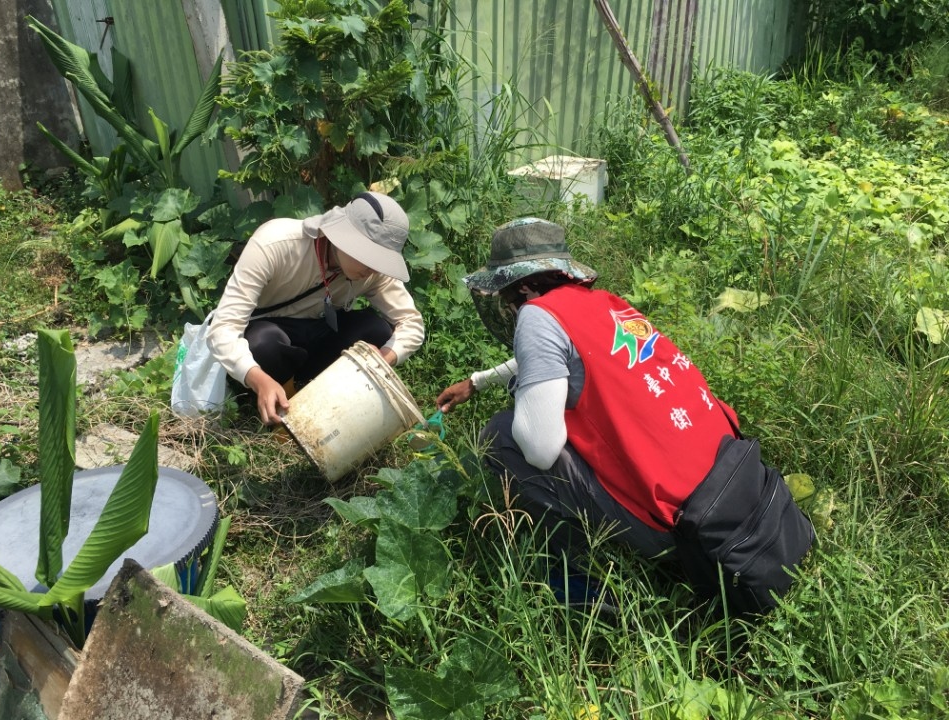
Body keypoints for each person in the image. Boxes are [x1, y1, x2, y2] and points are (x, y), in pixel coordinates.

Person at [436, 217, 740, 571]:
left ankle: (579, 577)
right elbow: (552, 357)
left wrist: (523, 400)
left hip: (673, 529)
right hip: (725, 488)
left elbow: (541, 449)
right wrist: (477, 382)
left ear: (521, 289)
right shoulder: (602, 305)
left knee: (503, 435)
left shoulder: (536, 314)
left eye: (505, 293)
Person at [208, 191, 425, 426]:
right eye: (370, 256)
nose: (374, 269)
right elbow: (223, 329)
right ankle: (285, 408)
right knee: (263, 343)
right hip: (274, 339)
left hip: (320, 338)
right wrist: (258, 378)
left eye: (382, 260)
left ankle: (335, 404)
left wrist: (384, 358)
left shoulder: (374, 273)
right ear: (344, 236)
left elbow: (412, 324)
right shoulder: (276, 243)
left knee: (376, 330)